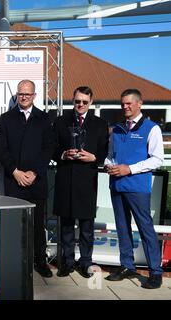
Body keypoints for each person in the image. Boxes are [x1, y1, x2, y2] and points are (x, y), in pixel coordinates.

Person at [104, 89, 164, 289]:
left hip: (137, 188)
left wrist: (129, 169)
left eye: (129, 103)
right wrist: (107, 164)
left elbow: (157, 159)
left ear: (140, 104)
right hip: (117, 185)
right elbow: (110, 154)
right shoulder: (118, 128)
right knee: (122, 228)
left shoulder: (151, 128)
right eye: (123, 104)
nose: (125, 107)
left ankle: (155, 272)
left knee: (145, 229)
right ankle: (127, 266)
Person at [0, 79, 55, 278]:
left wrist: (35, 172)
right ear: (17, 94)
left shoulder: (45, 118)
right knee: (14, 224)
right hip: (14, 181)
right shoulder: (5, 119)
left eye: (28, 94)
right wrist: (15, 171)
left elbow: (49, 148)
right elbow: (1, 149)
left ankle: (40, 261)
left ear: (34, 96)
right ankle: (15, 262)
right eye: (21, 93)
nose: (24, 97)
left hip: (36, 181)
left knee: (38, 224)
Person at [52, 86, 109, 278]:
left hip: (87, 181)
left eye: (85, 102)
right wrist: (62, 154)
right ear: (73, 100)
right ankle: (67, 262)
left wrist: (93, 157)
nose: (81, 105)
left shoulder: (100, 124)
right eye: (77, 101)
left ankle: (86, 262)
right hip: (66, 179)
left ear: (91, 102)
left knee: (86, 227)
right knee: (66, 225)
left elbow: (105, 152)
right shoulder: (60, 122)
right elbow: (51, 148)